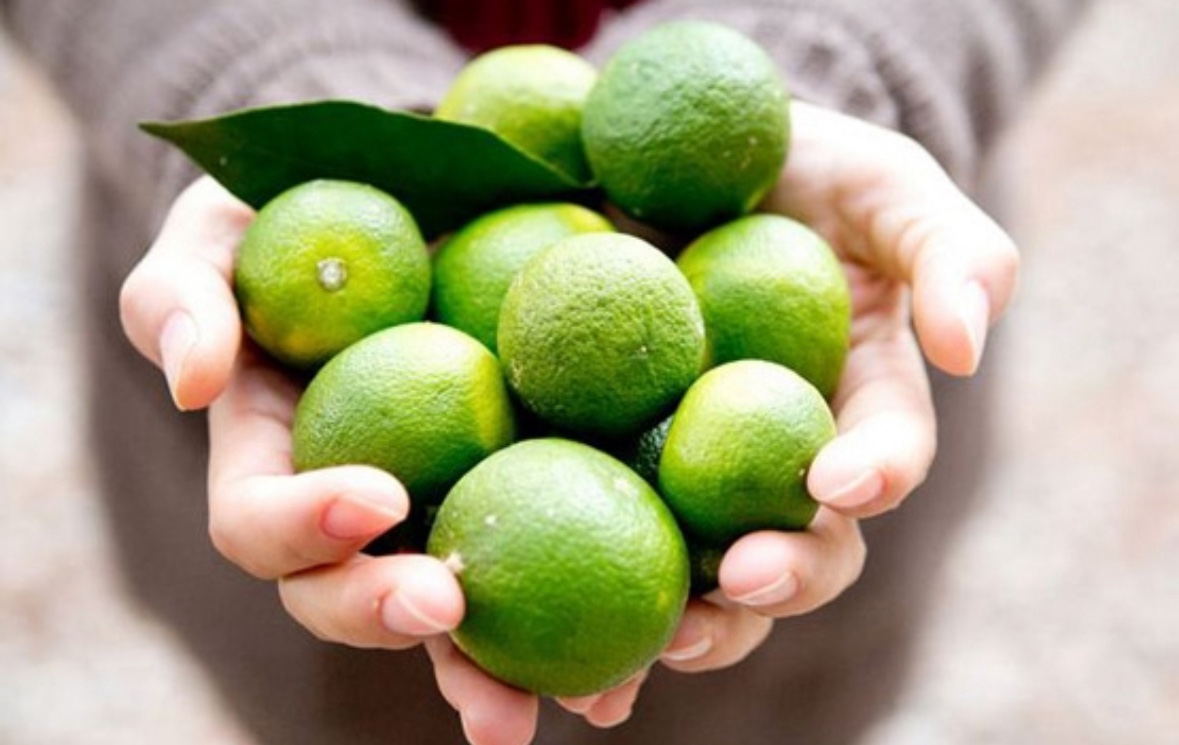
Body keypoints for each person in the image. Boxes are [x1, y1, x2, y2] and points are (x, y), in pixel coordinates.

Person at [1, 1, 1090, 744]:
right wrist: (275, 84)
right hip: (349, 557)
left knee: (782, 704)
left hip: (775, 536)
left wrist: (838, 64)